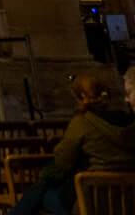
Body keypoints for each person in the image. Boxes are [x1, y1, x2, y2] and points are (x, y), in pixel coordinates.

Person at [10, 72, 135, 215]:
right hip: (129, 202)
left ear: (82, 97)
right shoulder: (130, 123)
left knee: (43, 191)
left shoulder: (83, 123)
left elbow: (62, 161)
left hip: (92, 203)